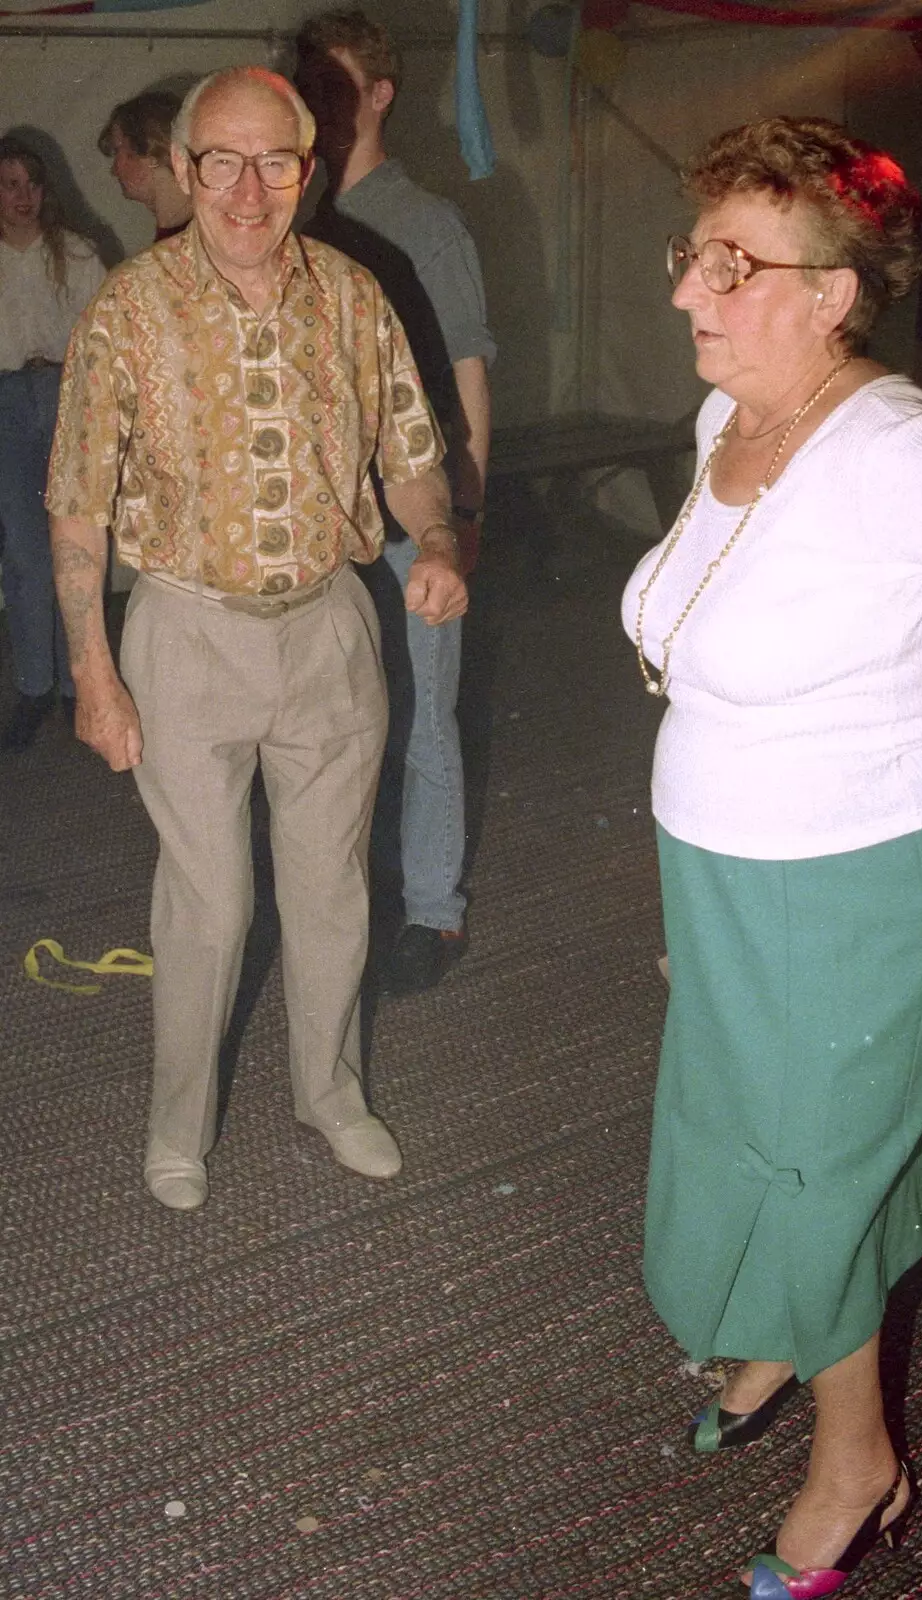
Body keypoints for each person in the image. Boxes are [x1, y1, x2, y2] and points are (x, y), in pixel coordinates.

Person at [620, 116, 922, 1597]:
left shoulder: (901, 452)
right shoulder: (730, 422)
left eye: (735, 268)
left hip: (863, 885)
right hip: (740, 869)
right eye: (694, 256)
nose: (691, 293)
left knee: (819, 1175)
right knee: (739, 1123)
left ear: (834, 294)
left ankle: (856, 1464)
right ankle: (772, 1343)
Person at [47, 66, 468, 1214]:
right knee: (214, 899)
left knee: (333, 887)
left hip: (331, 627)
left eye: (272, 161)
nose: (246, 188)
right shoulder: (128, 309)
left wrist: (434, 541)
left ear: (306, 172)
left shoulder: (353, 293)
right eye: (219, 162)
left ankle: (329, 1093)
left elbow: (413, 454)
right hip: (185, 632)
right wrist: (92, 666)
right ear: (183, 173)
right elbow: (77, 500)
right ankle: (176, 1124)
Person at [295, 8, 496, 994]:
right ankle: (350, 898)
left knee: (424, 712)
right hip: (327, 515)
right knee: (332, 716)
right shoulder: (293, 211)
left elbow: (466, 378)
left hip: (413, 515)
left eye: (339, 84)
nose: (323, 105)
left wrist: (461, 524)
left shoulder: (424, 223)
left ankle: (432, 909)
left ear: (379, 94)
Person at [0, 135, 104, 752]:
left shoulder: (78, 253)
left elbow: (103, 339)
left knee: (79, 547)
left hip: (67, 398)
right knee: (24, 556)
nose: (23, 197)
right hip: (8, 407)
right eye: (9, 184)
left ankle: (78, 687)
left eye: (32, 184)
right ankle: (36, 686)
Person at [98, 90, 192, 240]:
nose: (114, 171)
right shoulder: (175, 235)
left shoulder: (198, 237)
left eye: (118, 151)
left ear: (151, 153)